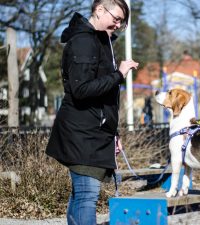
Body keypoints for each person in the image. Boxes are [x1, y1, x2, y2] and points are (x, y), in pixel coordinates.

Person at [45, 0, 138, 224]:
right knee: (87, 195)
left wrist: (113, 134)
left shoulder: (98, 41)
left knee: (81, 194)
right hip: (82, 133)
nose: (117, 25)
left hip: (93, 132)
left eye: (121, 23)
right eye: (116, 19)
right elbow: (81, 89)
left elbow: (105, 99)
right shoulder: (84, 42)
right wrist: (119, 74)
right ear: (98, 10)